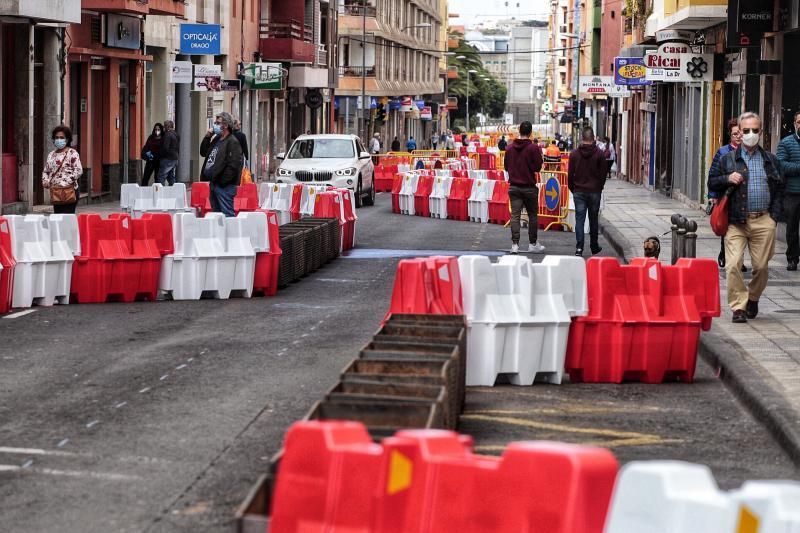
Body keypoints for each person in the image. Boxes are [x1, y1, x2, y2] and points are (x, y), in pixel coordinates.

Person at [708, 112, 784, 324]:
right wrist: (727, 178)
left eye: (755, 130)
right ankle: (738, 307)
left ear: (761, 131)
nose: (751, 134)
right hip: (736, 221)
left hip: (763, 220)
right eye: (747, 130)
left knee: (761, 266)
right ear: (739, 132)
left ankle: (752, 297)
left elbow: (779, 188)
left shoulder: (771, 160)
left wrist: (774, 217)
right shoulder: (727, 159)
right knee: (733, 265)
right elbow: (712, 183)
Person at [505, 121, 545, 254]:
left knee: (515, 216)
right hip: (529, 187)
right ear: (530, 132)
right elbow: (538, 167)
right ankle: (532, 243)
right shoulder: (533, 148)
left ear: (519, 131)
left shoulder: (509, 148)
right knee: (532, 215)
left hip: (514, 187)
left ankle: (515, 244)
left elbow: (506, 166)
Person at [708, 119, 743, 269]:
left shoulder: (750, 151)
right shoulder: (722, 152)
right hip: (726, 197)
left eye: (740, 133)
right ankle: (725, 253)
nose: (738, 136)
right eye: (735, 134)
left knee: (742, 229)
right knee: (727, 228)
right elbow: (712, 176)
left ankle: (738, 259)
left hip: (743, 198)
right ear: (730, 135)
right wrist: (713, 196)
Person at [568, 127, 608, 257]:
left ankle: (579, 248)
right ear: (594, 138)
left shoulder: (574, 154)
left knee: (579, 220)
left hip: (579, 191)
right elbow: (603, 175)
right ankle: (594, 246)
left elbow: (570, 175)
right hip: (594, 191)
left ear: (582, 138)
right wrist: (599, 187)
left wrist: (573, 189)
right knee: (593, 219)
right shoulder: (600, 154)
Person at [202, 112, 244, 217]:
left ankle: (231, 233)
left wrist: (222, 182)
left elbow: (234, 165)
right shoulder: (217, 139)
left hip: (224, 186)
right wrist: (207, 137)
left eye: (218, 122)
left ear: (225, 125)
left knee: (227, 214)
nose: (215, 124)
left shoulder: (232, 141)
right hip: (214, 183)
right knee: (217, 216)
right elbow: (203, 152)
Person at [777, 111, 800, 271]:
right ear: (795, 124)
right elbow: (781, 165)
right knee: (792, 227)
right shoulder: (786, 143)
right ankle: (792, 258)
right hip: (792, 193)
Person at [42, 125, 82, 214]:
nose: (58, 140)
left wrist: (65, 182)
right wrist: (45, 180)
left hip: (69, 191)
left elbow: (78, 170)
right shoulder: (51, 155)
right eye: (56, 137)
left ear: (67, 139)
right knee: (58, 216)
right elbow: (46, 170)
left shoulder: (72, 153)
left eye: (61, 137)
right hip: (56, 191)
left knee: (67, 216)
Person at [157, 120, 179, 186]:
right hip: (174, 158)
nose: (163, 128)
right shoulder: (176, 134)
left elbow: (165, 148)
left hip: (167, 159)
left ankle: (160, 193)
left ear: (168, 126)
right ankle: (173, 191)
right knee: (171, 176)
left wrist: (160, 155)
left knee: (161, 176)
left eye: (164, 126)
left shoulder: (167, 135)